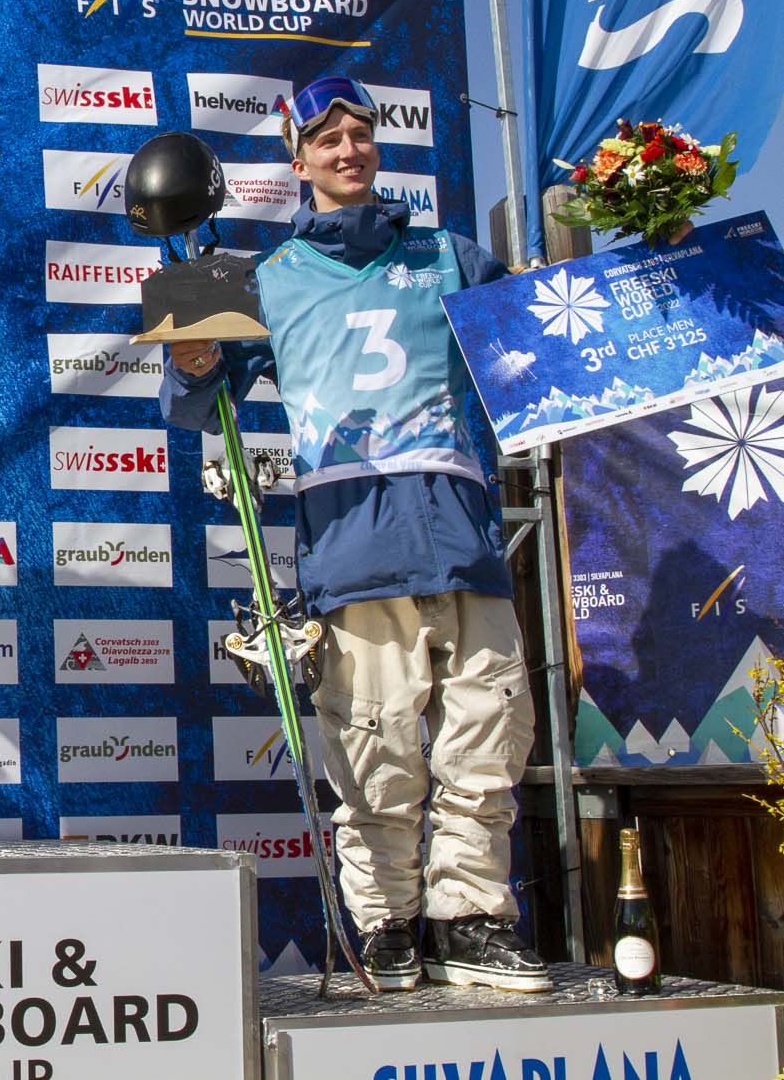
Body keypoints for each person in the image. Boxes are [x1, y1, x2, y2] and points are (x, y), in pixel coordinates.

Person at [158, 75, 550, 993]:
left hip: (461, 536)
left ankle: (473, 919)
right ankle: (388, 925)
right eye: (326, 141)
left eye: (360, 136)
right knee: (374, 749)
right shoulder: (264, 277)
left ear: (378, 147)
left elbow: (539, 334)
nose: (347, 152)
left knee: (485, 739)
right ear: (298, 162)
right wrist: (194, 360)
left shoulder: (450, 254)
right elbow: (195, 401)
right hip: (353, 543)